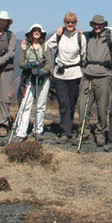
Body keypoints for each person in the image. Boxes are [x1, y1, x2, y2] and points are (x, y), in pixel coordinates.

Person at [76, 15, 112, 146]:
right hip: (88, 75)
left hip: (104, 76)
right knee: (83, 106)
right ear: (92, 25)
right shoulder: (88, 36)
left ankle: (100, 133)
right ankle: (83, 131)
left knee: (102, 108)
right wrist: (61, 29)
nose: (97, 26)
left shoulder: (110, 37)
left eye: (100, 24)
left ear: (104, 25)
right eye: (95, 24)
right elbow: (74, 33)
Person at [46, 12, 86, 143]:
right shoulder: (59, 35)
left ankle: (68, 128)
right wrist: (30, 42)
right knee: (63, 103)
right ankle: (65, 131)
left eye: (72, 22)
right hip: (60, 74)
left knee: (72, 103)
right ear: (64, 23)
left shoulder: (81, 37)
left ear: (76, 23)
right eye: (68, 22)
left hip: (75, 73)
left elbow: (84, 55)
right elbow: (46, 47)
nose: (70, 24)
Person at [14, 24, 53, 142]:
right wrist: (29, 65)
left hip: (42, 78)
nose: (36, 33)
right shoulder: (25, 46)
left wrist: (43, 71)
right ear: (31, 33)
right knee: (26, 104)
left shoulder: (44, 46)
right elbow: (20, 62)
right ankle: (21, 132)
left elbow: (49, 63)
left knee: (40, 105)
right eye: (34, 31)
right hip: (29, 77)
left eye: (38, 31)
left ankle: (38, 130)